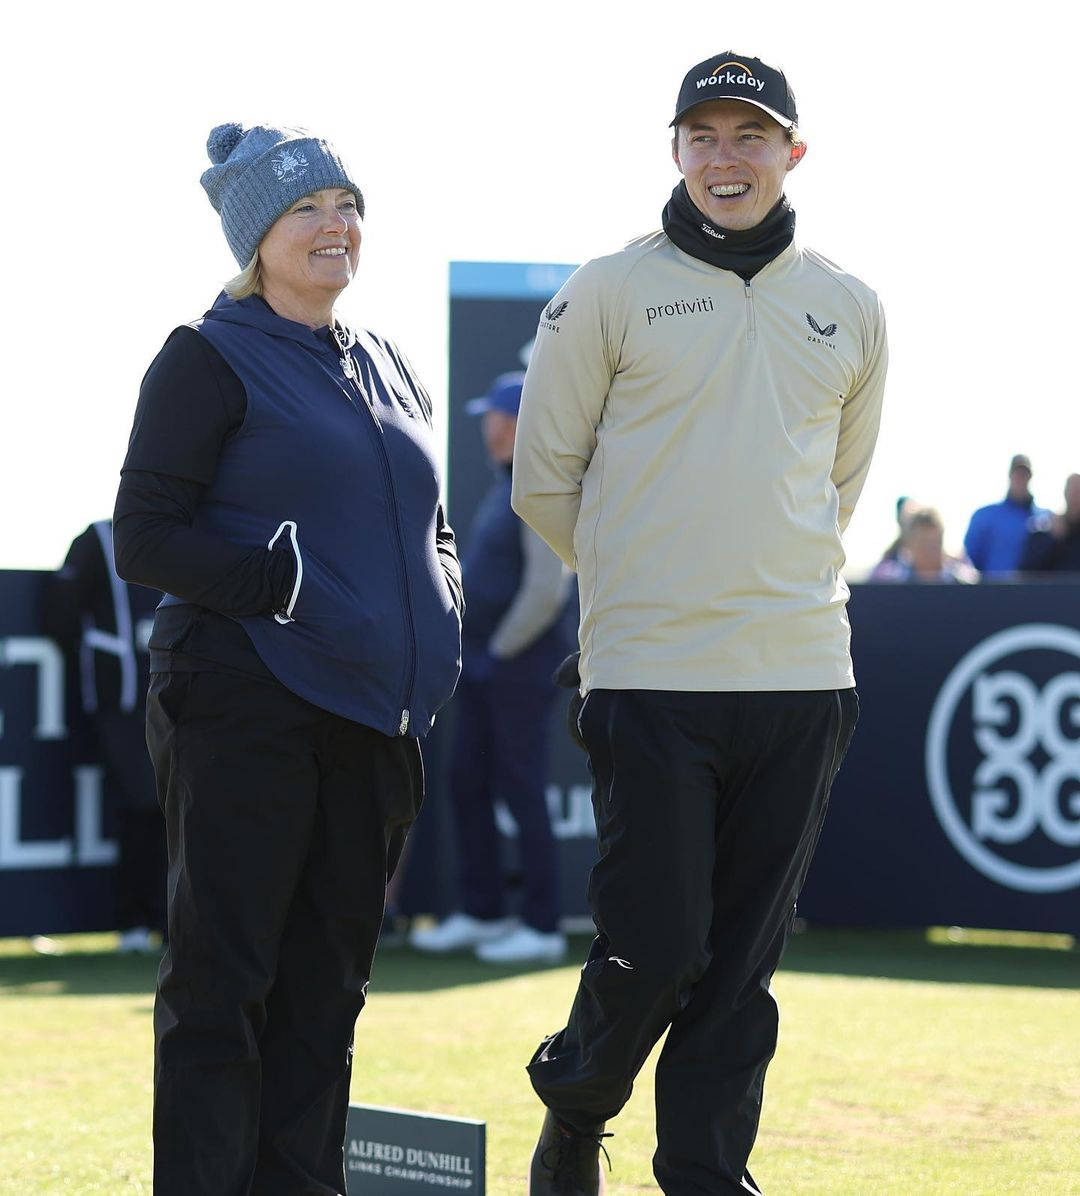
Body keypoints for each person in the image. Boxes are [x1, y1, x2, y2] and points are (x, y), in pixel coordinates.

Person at [511, 52, 887, 1194]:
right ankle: (577, 1109)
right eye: (705, 136)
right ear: (675, 151)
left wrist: (756, 577)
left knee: (740, 968)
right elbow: (544, 478)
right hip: (651, 674)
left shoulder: (852, 304)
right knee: (656, 942)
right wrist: (644, 580)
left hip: (802, 674)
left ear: (793, 152)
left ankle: (707, 1174)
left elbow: (838, 487)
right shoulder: (610, 287)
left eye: (751, 135)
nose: (727, 159)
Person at [113, 122, 462, 1196]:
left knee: (328, 993)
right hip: (244, 699)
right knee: (228, 985)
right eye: (306, 209)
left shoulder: (389, 361)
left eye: (347, 205)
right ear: (256, 236)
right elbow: (146, 537)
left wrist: (441, 596)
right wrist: (287, 583)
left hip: (374, 719)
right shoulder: (206, 355)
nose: (334, 225)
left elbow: (429, 523)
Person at [410, 372, 574, 964]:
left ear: (520, 424)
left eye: (500, 418)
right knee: (466, 783)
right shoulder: (501, 484)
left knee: (522, 787)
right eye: (489, 418)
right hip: (481, 665)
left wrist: (500, 652)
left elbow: (546, 589)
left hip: (518, 666)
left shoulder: (541, 484)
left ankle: (542, 924)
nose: (489, 428)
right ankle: (481, 912)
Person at [46, 520, 166, 951]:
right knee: (142, 806)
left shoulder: (190, 531)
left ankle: (174, 922)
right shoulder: (97, 539)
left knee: (189, 808)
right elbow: (60, 616)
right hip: (124, 703)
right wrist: (102, 665)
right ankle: (135, 921)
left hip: (185, 701)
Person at [963, 454, 1050, 576]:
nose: (1020, 479)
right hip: (992, 592)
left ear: (1030, 477)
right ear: (1010, 475)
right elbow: (969, 560)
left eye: (1024, 474)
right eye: (1017, 474)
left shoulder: (1047, 520)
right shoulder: (985, 516)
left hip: (1033, 593)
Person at [870, 507, 976, 584]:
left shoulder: (964, 582)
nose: (929, 550)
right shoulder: (887, 582)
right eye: (923, 543)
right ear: (909, 545)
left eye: (934, 543)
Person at [1021, 473, 1080, 573]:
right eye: (1073, 492)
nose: (1076, 497)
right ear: (1065, 494)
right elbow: (1027, 572)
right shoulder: (1045, 531)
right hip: (1053, 588)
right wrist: (1052, 539)